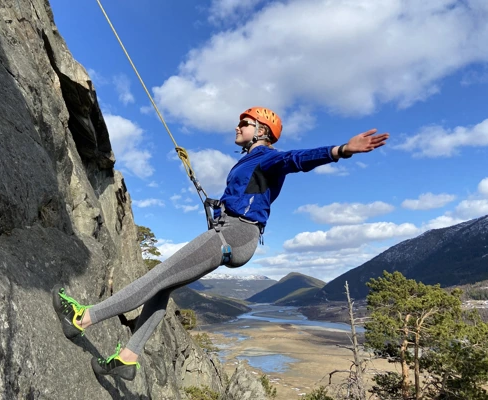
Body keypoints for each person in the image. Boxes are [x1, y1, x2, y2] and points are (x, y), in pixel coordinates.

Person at [52, 106, 389, 381]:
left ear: (262, 131)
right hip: (239, 234)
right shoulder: (251, 164)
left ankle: (84, 318)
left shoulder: (268, 158)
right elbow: (247, 197)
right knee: (162, 289)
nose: (237, 126)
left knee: (156, 277)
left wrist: (340, 150)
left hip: (235, 234)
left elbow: (295, 160)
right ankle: (128, 357)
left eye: (245, 123)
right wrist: (220, 204)